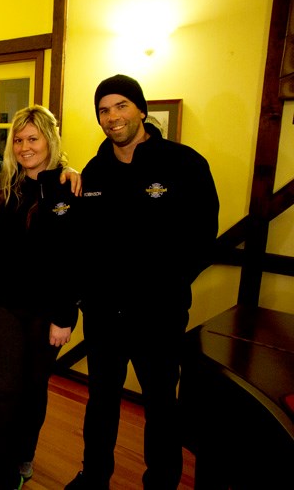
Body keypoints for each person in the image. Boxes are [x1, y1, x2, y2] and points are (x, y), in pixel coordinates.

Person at [66, 74, 219, 490]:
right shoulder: (94, 171)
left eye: (120, 106)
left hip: (159, 314)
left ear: (141, 109)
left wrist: (165, 285)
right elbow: (84, 241)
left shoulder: (184, 164)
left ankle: (162, 482)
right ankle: (94, 476)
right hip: (103, 315)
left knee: (160, 405)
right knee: (101, 404)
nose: (112, 117)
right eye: (103, 110)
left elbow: (204, 238)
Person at [0, 105, 78, 490]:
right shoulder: (4, 184)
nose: (25, 147)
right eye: (18, 140)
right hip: (4, 305)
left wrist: (65, 315)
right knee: (5, 390)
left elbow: (75, 257)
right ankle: (0, 474)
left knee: (34, 389)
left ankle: (24, 454)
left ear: (49, 139)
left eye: (33, 138)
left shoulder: (70, 187)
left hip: (46, 310)